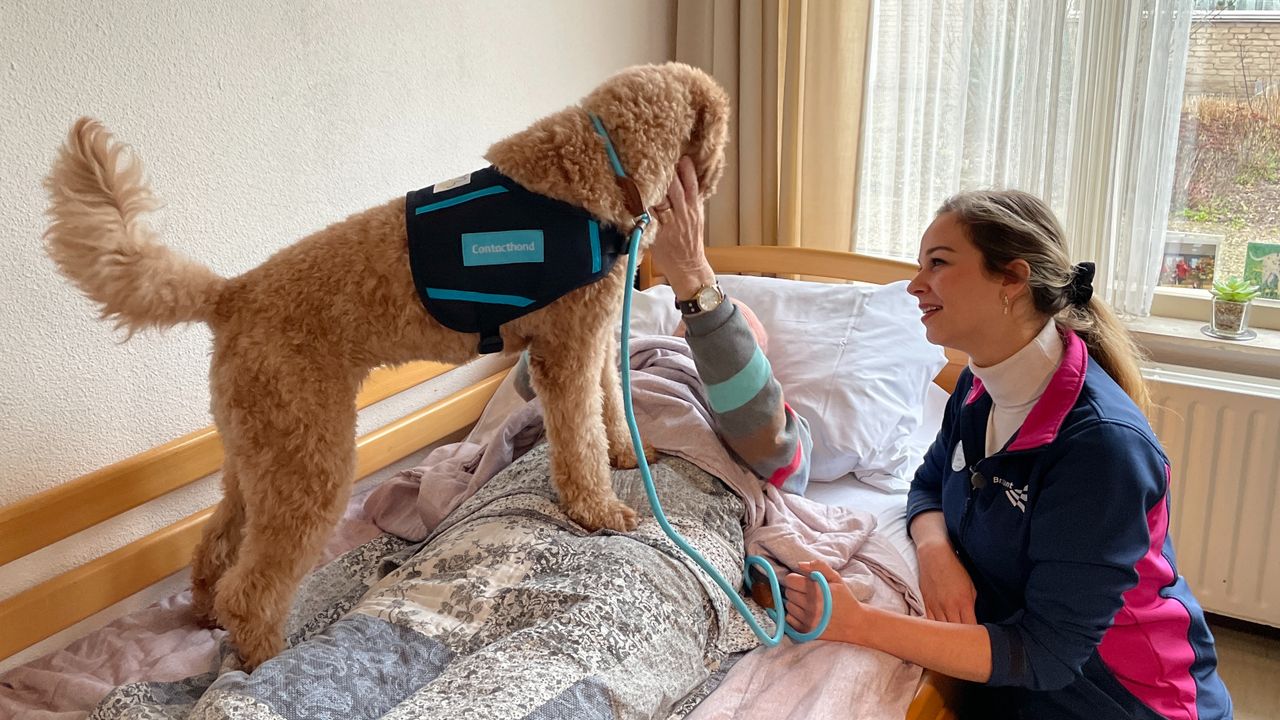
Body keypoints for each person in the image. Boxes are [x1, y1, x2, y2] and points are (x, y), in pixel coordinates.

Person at [781, 190, 1232, 719]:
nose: (914, 285)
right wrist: (935, 553)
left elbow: (1047, 653)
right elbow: (928, 482)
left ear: (1012, 280)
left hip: (1125, 700)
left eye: (939, 263)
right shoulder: (979, 385)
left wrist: (855, 622)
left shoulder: (1101, 449)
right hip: (1022, 687)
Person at [514, 155, 812, 494]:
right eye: (692, 321)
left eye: (736, 328)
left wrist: (696, 278)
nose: (703, 332)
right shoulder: (632, 357)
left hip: (677, 494)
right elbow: (533, 380)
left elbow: (779, 456)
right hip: (546, 478)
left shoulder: (767, 412)